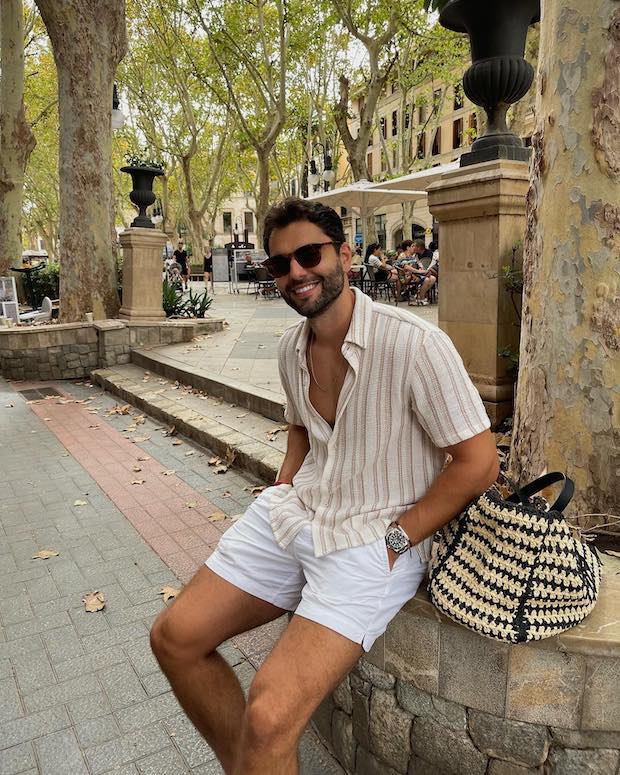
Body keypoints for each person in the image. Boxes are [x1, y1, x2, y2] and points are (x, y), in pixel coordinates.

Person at [149, 198, 499, 775]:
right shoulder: (291, 348)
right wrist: (281, 488)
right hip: (299, 512)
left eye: (309, 255)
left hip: (373, 536)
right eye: (280, 264)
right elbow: (300, 428)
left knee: (269, 717)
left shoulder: (413, 343)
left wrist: (398, 539)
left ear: (345, 255)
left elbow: (479, 462)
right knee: (174, 638)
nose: (296, 272)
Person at [417, 240, 439, 305]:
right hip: (419, 272)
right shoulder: (416, 255)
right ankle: (421, 297)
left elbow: (432, 264)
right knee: (428, 279)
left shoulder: (432, 253)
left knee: (432, 278)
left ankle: (421, 294)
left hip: (426, 272)